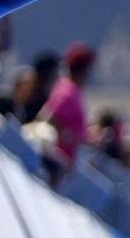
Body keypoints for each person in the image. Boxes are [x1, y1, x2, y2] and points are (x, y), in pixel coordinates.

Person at [39, 41, 97, 187]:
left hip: (68, 165)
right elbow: (48, 118)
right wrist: (67, 136)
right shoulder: (67, 92)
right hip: (58, 164)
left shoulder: (74, 91)